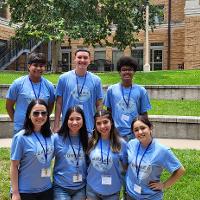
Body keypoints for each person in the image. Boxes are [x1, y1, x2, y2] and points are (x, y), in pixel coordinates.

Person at [126, 115, 185, 200]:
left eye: (143, 128)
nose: (139, 132)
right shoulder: (131, 144)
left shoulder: (162, 150)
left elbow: (180, 170)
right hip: (131, 194)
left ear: (150, 128)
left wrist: (164, 185)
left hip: (150, 196)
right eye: (136, 130)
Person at [10, 99, 54, 200]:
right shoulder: (21, 137)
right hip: (25, 191)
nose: (40, 116)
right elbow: (14, 165)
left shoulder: (50, 136)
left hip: (46, 189)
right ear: (29, 115)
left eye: (43, 113)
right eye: (36, 113)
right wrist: (15, 193)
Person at [53, 49, 103, 135]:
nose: (82, 60)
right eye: (79, 57)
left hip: (89, 127)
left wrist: (100, 123)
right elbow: (59, 103)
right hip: (68, 125)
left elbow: (99, 104)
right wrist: (56, 125)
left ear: (89, 60)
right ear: (74, 59)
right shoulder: (63, 78)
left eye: (85, 58)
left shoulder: (96, 80)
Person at [6, 52, 55, 135]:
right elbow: (9, 106)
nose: (38, 68)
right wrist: (18, 121)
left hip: (41, 128)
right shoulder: (18, 84)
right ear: (29, 66)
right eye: (35, 65)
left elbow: (49, 108)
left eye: (41, 66)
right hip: (21, 128)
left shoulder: (49, 86)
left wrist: (41, 119)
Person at [104, 56, 151, 141]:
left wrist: (146, 131)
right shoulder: (111, 90)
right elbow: (109, 112)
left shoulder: (141, 91)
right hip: (116, 133)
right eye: (124, 70)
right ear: (119, 72)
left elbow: (144, 113)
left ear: (134, 72)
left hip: (135, 133)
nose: (127, 72)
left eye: (130, 69)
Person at [86, 110, 127, 200]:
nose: (102, 126)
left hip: (113, 190)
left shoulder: (121, 143)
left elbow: (126, 169)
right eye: (98, 123)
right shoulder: (91, 142)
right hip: (92, 189)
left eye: (105, 122)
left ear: (111, 122)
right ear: (95, 125)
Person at [53, 106, 88, 200]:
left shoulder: (88, 138)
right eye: (71, 119)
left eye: (78, 119)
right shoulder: (56, 138)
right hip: (61, 187)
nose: (75, 122)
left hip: (81, 187)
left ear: (83, 120)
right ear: (66, 120)